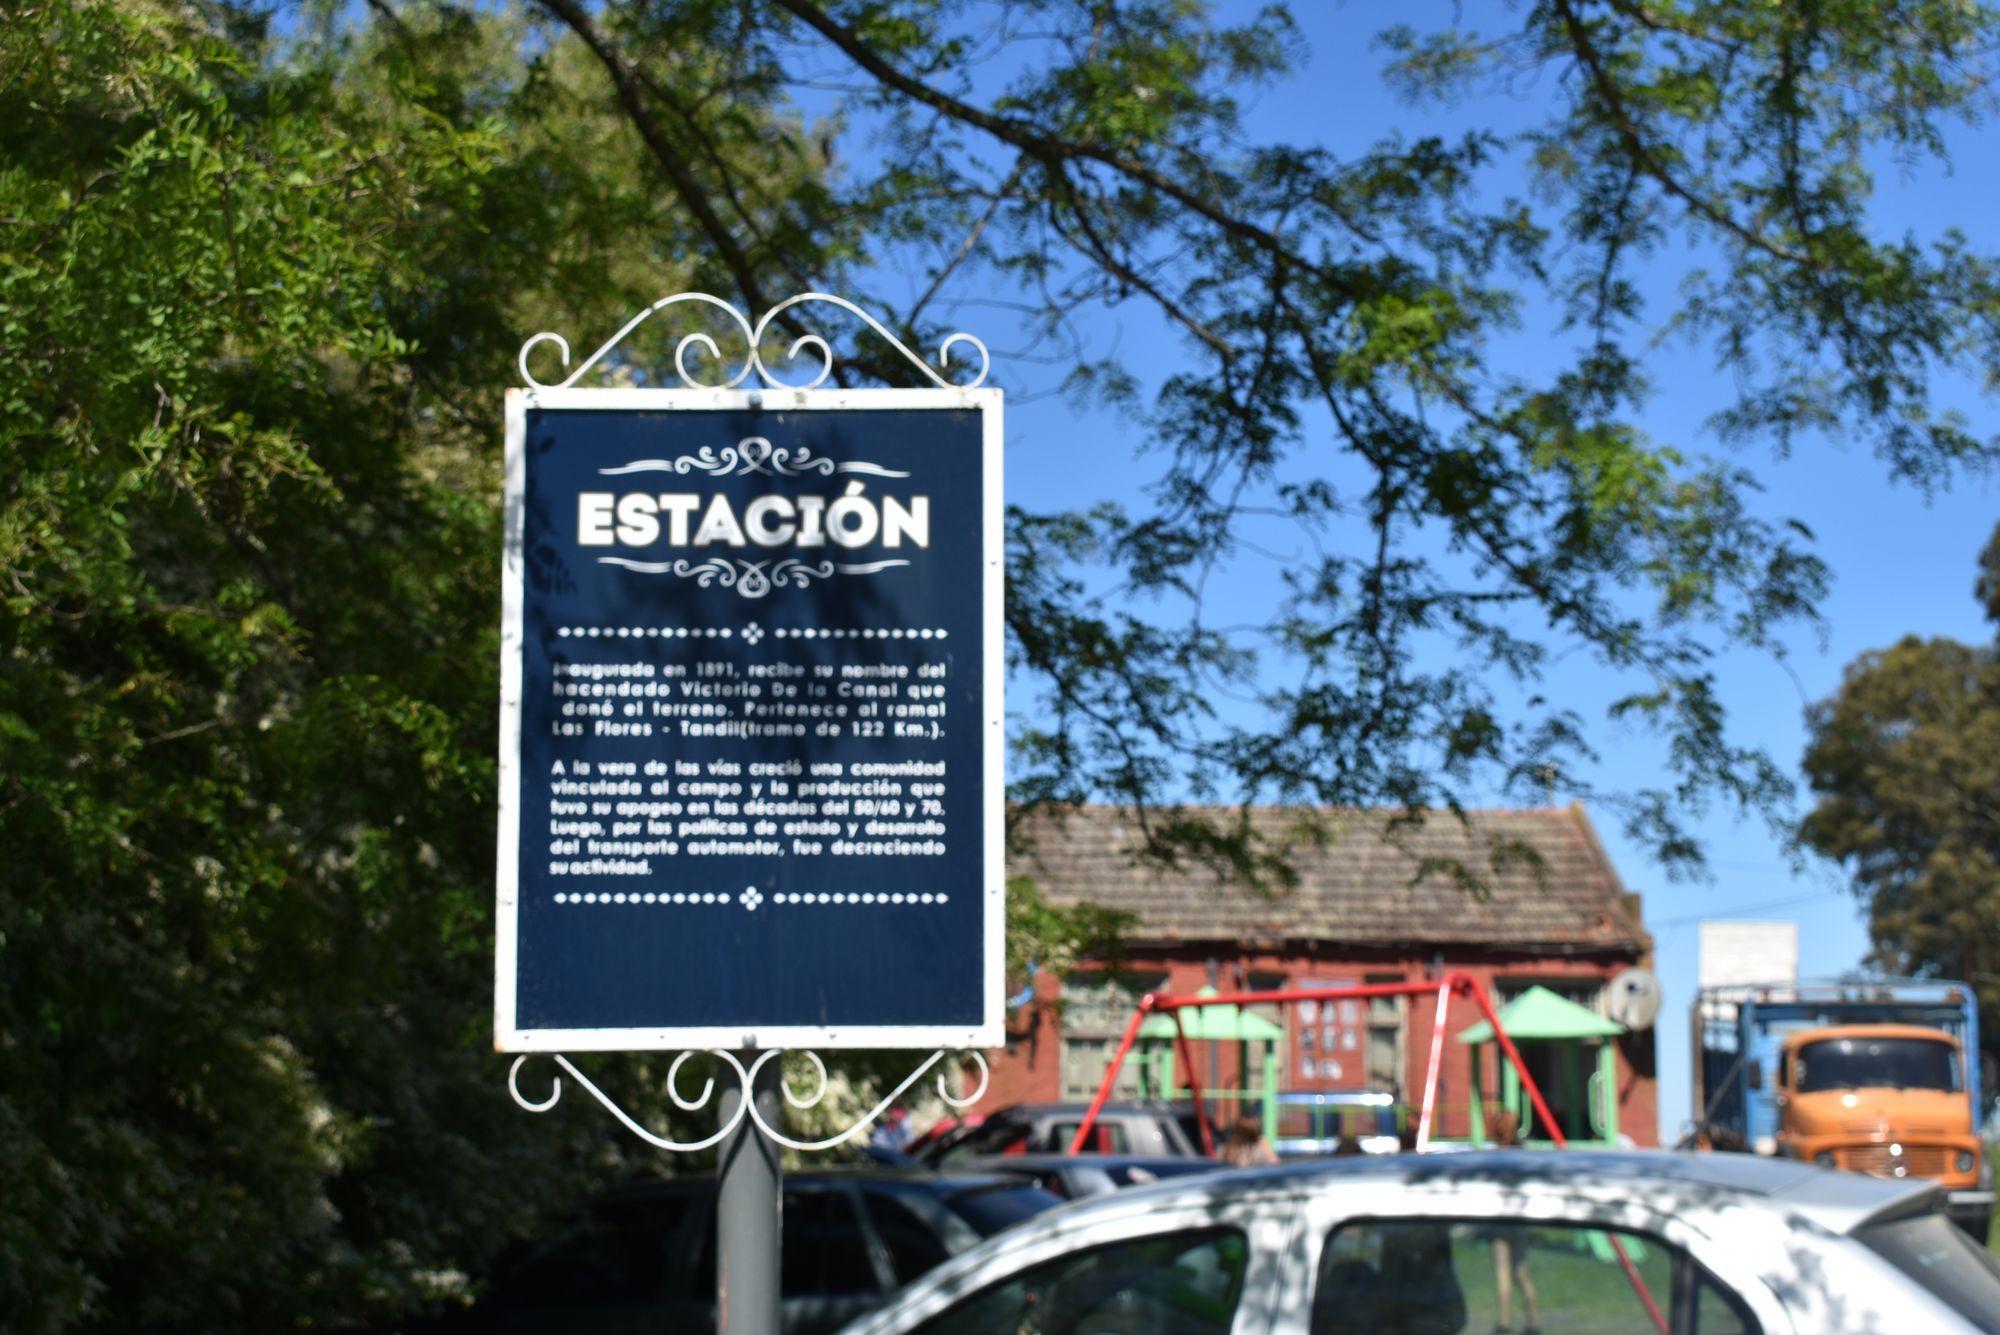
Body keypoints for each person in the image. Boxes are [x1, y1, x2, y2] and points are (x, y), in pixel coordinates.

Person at [1486, 1108, 1540, 1334]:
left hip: (1500, 1220)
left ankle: (1504, 1322)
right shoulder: (1522, 1157)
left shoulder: (1493, 1158)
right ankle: (1534, 1322)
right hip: (1518, 1220)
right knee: (1521, 1272)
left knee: (1502, 1273)